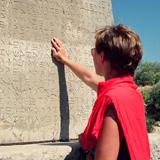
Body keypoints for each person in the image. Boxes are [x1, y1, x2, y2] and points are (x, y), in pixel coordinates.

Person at [51, 24, 150, 160]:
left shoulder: (112, 100)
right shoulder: (130, 93)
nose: (92, 55)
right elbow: (89, 77)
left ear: (102, 56)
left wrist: (87, 148)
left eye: (94, 52)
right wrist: (65, 60)